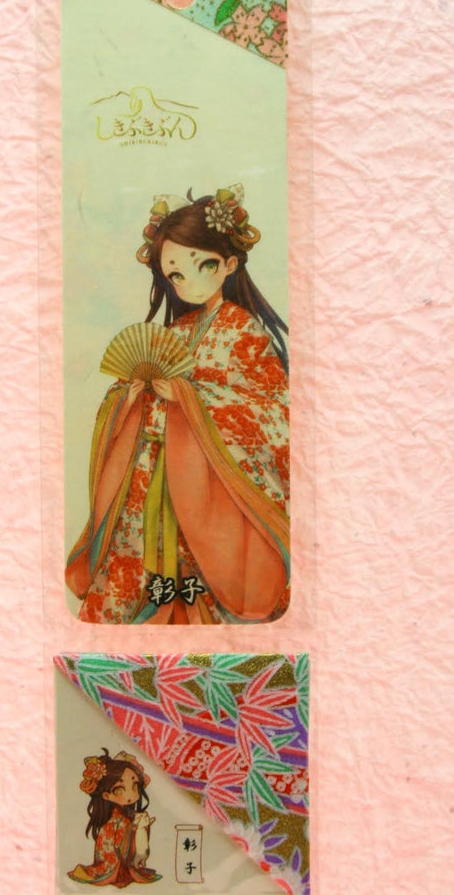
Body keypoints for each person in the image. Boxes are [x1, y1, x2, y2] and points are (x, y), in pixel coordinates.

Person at [65, 185, 290, 624]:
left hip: (208, 482)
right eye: (176, 275)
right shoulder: (178, 331)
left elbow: (273, 409)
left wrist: (190, 398)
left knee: (199, 565)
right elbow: (128, 390)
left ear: (229, 264)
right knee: (140, 558)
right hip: (151, 472)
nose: (188, 283)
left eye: (204, 265)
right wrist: (132, 394)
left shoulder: (244, 331)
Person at [67, 749, 160, 888]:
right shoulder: (115, 819)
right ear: (106, 795)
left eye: (134, 786)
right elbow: (120, 839)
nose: (130, 794)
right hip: (111, 855)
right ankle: (119, 871)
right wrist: (135, 829)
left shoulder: (124, 815)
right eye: (119, 790)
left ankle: (126, 868)